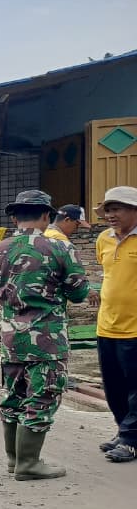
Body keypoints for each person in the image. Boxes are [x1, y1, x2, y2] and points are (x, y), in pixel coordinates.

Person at [0, 190, 90, 480]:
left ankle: (14, 460)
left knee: (14, 396)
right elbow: (79, 293)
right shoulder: (60, 249)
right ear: (46, 216)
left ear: (15, 217)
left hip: (11, 340)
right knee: (42, 396)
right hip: (47, 341)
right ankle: (29, 464)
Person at [91, 185, 137, 464]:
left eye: (117, 208)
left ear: (134, 211)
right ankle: (124, 430)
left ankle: (132, 440)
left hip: (135, 328)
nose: (110, 214)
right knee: (114, 387)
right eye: (108, 209)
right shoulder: (103, 240)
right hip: (106, 325)